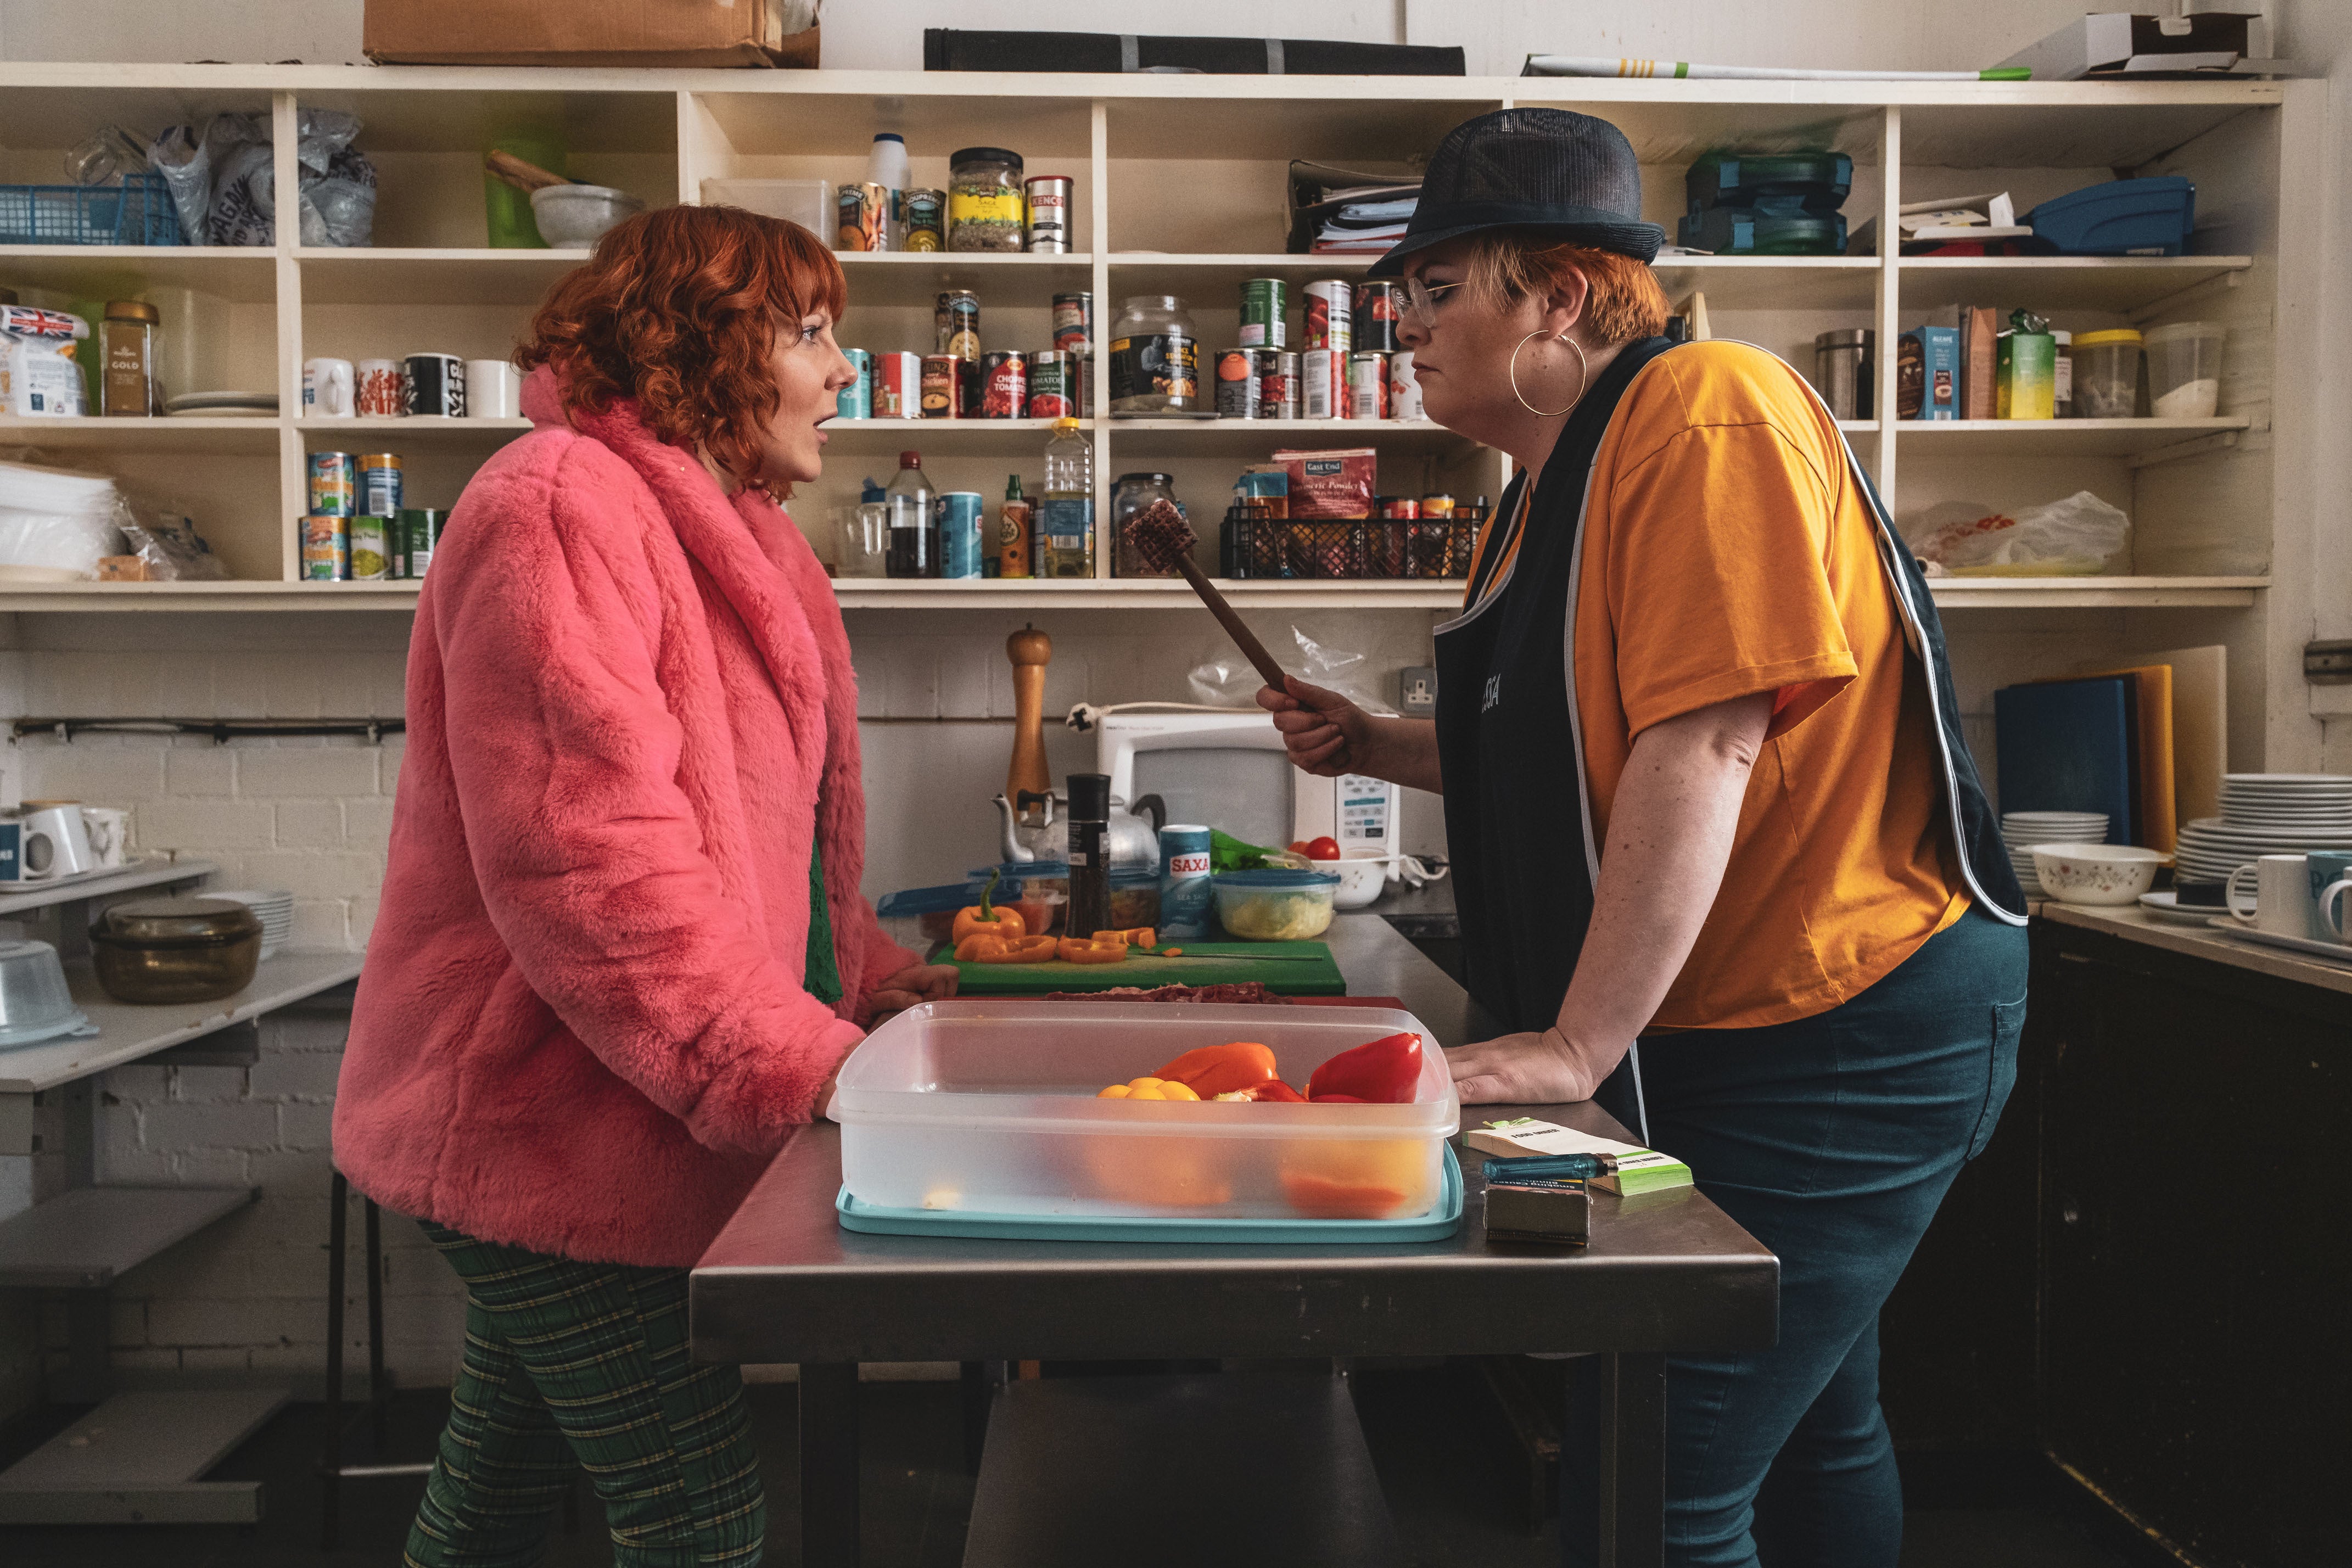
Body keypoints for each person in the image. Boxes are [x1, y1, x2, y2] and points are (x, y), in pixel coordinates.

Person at [1259, 109, 2029, 1568]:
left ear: (1555, 294)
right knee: (1809, 1426)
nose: (1398, 326)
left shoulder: (1703, 409)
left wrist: (1568, 1048)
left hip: (1842, 1023)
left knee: (1655, 1484)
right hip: (1741, 1014)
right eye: (1396, 298)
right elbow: (1574, 753)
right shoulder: (1537, 493)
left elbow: (1708, 741)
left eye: (1433, 290)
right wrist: (1378, 746)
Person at [334, 204, 956, 1567]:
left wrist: (867, 981)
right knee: (699, 1519)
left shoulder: (744, 539)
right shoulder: (557, 501)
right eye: (810, 335)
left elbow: (785, 840)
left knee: (492, 1499)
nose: (844, 371)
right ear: (706, 345)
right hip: (541, 1111)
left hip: (613, 1117)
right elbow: (588, 864)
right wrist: (801, 1064)